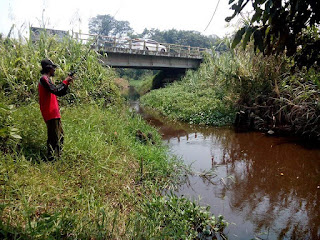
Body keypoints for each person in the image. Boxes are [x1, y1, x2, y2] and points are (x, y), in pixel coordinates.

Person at [38, 59, 73, 161]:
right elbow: (56, 90)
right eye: (53, 68)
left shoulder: (47, 79)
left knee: (60, 136)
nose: (54, 70)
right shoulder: (44, 79)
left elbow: (60, 92)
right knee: (53, 138)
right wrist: (65, 81)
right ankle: (51, 160)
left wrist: (67, 83)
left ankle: (57, 158)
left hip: (54, 113)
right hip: (50, 113)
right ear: (49, 68)